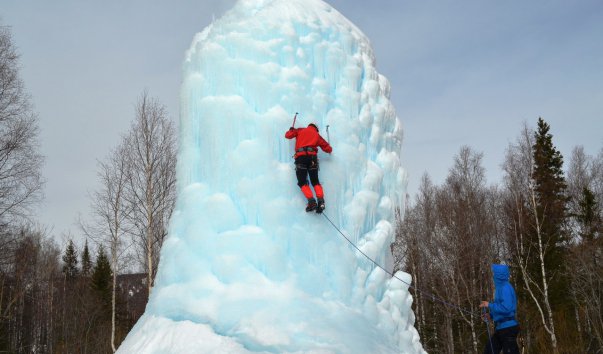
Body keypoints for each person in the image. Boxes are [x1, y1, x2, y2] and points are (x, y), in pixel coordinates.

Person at [285, 123, 332, 213]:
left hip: (301, 158)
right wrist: (329, 149)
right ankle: (321, 201)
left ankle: (311, 202)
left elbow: (288, 135)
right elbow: (327, 148)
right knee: (315, 181)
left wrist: (291, 130)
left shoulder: (300, 130)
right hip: (312, 159)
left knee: (302, 182)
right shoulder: (317, 135)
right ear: (316, 129)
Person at [480, 264, 520, 354]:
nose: (493, 275)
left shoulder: (506, 288)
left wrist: (489, 305)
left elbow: (506, 308)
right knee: (489, 351)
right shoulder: (500, 288)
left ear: (499, 275)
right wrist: (490, 316)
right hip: (500, 328)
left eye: (494, 273)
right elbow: (500, 307)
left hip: (508, 328)